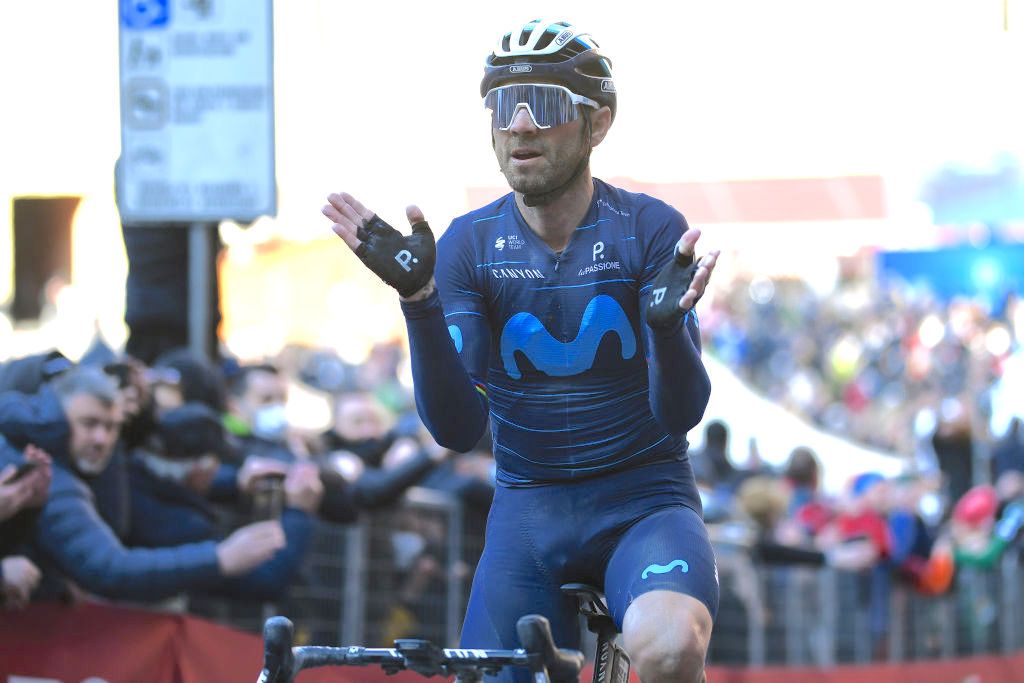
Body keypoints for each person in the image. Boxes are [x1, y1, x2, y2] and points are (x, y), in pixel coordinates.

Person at [322, 20, 720, 682]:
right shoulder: (467, 245)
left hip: (645, 500)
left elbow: (681, 413)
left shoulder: (649, 229)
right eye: (505, 106)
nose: (523, 125)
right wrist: (419, 300)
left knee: (671, 646)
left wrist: (665, 331)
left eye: (549, 103)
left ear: (598, 123)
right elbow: (456, 429)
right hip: (528, 511)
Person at [0, 366, 287, 602]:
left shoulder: (50, 457)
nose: (102, 439)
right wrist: (220, 557)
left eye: (111, 426)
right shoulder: (49, 472)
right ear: (59, 419)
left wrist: (234, 483)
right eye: (89, 423)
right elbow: (110, 568)